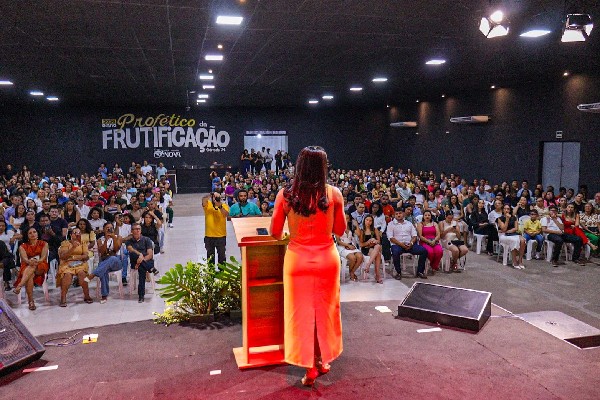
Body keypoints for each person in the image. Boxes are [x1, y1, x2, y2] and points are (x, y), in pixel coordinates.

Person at [270, 146, 346, 386]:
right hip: (326, 260)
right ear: (323, 168)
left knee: (300, 315)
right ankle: (322, 360)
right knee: (325, 312)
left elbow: (274, 232)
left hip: (297, 261)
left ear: (299, 166)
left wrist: (292, 234)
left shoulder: (285, 195)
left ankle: (309, 367)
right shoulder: (334, 194)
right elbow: (340, 230)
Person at [84, 222, 123, 303]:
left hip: (116, 262)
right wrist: (106, 240)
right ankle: (104, 295)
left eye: (110, 228)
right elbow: (102, 252)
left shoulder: (118, 237)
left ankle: (92, 275)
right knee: (103, 271)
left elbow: (116, 249)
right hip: (104, 261)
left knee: (112, 258)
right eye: (107, 228)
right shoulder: (100, 240)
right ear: (104, 229)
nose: (109, 229)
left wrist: (113, 237)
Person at [387, 207, 429, 279]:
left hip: (409, 245)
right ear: (394, 215)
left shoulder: (409, 223)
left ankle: (420, 271)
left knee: (424, 251)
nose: (398, 215)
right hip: (397, 245)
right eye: (396, 214)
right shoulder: (391, 224)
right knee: (395, 252)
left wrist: (411, 243)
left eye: (400, 213)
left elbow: (414, 235)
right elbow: (391, 238)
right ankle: (398, 272)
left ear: (403, 214)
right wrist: (401, 244)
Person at [14, 227, 49, 310]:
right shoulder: (22, 246)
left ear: (37, 233)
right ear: (27, 235)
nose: (33, 234)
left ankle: (19, 286)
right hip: (27, 266)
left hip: (41, 265)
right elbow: (24, 259)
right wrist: (30, 262)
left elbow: (43, 258)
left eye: (34, 232)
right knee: (30, 276)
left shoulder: (44, 243)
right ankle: (31, 301)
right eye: (30, 233)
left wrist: (36, 261)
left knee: (32, 267)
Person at [57, 227, 93, 306]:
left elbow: (86, 256)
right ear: (71, 235)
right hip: (67, 264)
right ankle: (63, 298)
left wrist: (73, 257)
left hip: (80, 263)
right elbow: (63, 256)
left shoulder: (83, 243)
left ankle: (86, 295)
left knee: (82, 273)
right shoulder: (65, 243)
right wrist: (73, 247)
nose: (77, 234)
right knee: (67, 275)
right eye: (75, 233)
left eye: (79, 233)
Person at [126, 223, 158, 303]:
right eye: (135, 229)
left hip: (147, 261)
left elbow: (150, 254)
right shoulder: (129, 241)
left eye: (139, 229)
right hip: (135, 262)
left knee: (141, 269)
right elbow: (130, 250)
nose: (137, 231)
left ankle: (141, 295)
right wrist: (140, 255)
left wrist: (141, 259)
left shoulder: (146, 240)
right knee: (134, 254)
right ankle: (151, 269)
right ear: (132, 231)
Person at [202, 191, 229, 267]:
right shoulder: (208, 204)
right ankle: (211, 271)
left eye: (217, 197)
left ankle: (222, 270)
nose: (215, 198)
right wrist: (211, 194)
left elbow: (225, 214)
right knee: (210, 256)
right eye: (214, 197)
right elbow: (203, 199)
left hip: (221, 235)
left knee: (222, 256)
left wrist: (220, 206)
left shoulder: (224, 205)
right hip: (209, 235)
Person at [335, 213, 364, 281]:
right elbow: (338, 241)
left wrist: (356, 225)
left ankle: (352, 272)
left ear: (349, 219)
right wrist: (347, 245)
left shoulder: (351, 227)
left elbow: (359, 234)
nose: (345, 220)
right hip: (342, 247)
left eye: (347, 218)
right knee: (353, 258)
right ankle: (351, 273)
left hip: (351, 245)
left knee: (360, 256)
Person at [497, 204, 527, 269]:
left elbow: (516, 228)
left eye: (508, 209)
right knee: (514, 240)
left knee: (523, 240)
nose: (506, 210)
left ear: (510, 210)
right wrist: (507, 219)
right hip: (503, 235)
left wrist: (510, 231)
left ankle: (520, 260)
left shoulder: (514, 217)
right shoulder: (500, 218)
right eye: (505, 209)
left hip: (513, 233)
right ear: (503, 210)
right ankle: (514, 261)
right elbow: (504, 229)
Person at [357, 214, 383, 283]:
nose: (368, 222)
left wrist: (375, 240)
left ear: (372, 222)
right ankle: (377, 275)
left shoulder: (374, 229)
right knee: (378, 254)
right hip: (366, 248)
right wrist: (368, 242)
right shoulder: (362, 231)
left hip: (374, 247)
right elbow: (361, 244)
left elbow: (379, 241)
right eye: (367, 220)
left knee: (377, 246)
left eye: (370, 221)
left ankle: (368, 265)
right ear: (364, 221)